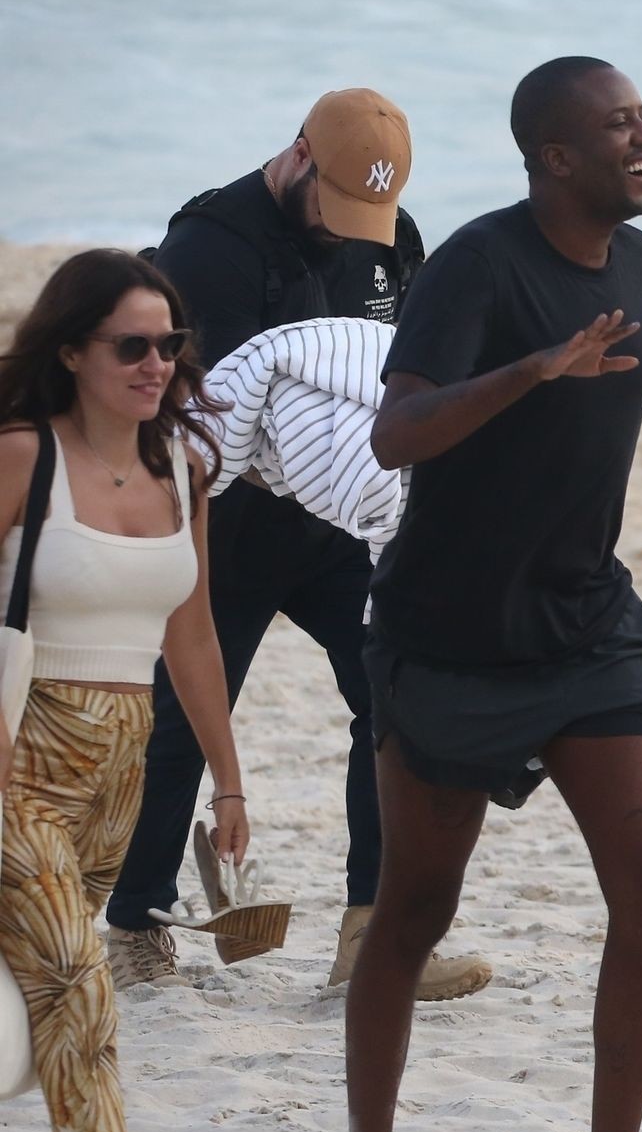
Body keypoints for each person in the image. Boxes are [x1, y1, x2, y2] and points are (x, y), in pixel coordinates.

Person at [332, 57, 642, 1132]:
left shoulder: (636, 263)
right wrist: (533, 370)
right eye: (619, 126)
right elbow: (395, 433)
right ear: (555, 155)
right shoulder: (478, 267)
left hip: (587, 619)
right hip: (449, 634)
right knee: (414, 910)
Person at [103, 88, 491, 1001]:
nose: (354, 232)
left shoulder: (392, 238)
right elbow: (204, 411)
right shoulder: (209, 248)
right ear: (300, 155)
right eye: (340, 204)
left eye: (373, 214)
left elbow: (405, 374)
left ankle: (373, 938)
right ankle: (135, 924)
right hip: (228, 524)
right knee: (180, 726)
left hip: (337, 523)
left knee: (394, 702)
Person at [0, 249, 249, 1132]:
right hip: (18, 761)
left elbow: (191, 634)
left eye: (170, 344)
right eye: (132, 346)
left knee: (34, 998)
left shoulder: (183, 467)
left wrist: (228, 782)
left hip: (120, 776)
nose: (157, 365)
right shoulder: (23, 456)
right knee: (78, 984)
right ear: (72, 353)